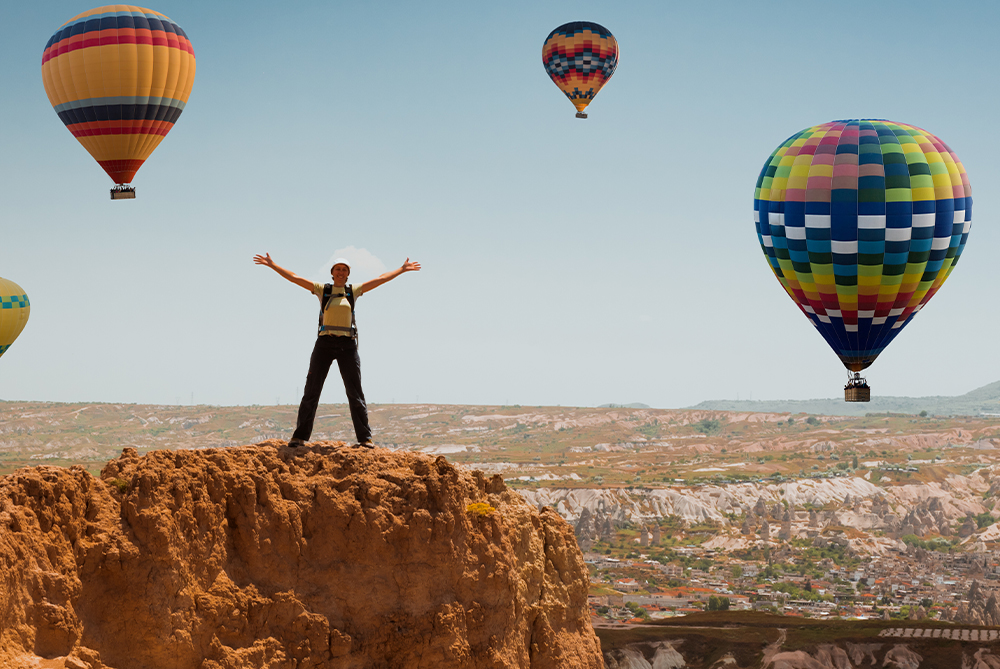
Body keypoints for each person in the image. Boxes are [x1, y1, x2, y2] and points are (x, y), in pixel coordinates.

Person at [253, 253, 421, 448]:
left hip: (347, 345)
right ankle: (299, 437)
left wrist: (401, 269)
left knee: (355, 392)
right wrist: (273, 265)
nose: (340, 272)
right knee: (311, 391)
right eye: (337, 269)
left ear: (348, 274)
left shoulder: (353, 291)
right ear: (332, 273)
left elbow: (380, 279)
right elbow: (295, 278)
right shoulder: (322, 290)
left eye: (344, 269)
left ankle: (365, 438)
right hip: (324, 343)